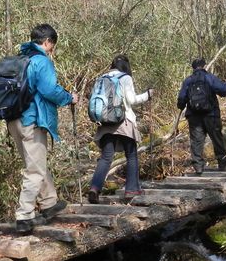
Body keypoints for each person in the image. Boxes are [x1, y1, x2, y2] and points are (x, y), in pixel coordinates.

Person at [8, 24, 77, 235]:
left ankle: (48, 203)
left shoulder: (19, 60)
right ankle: (24, 216)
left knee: (36, 163)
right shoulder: (41, 61)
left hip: (14, 120)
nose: (51, 51)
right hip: (32, 120)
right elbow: (49, 89)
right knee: (34, 169)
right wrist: (69, 97)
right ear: (47, 42)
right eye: (52, 46)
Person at [87, 55, 153, 203]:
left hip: (104, 123)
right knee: (131, 155)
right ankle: (131, 190)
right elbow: (131, 100)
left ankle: (94, 188)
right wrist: (147, 95)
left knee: (105, 157)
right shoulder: (125, 78)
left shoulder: (101, 78)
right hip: (123, 122)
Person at [177, 58, 226, 175]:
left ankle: (198, 166)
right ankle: (222, 162)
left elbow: (181, 99)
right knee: (217, 138)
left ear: (193, 68)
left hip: (194, 116)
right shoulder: (209, 77)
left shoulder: (188, 80)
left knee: (196, 141)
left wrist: (181, 106)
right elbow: (223, 91)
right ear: (204, 66)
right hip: (211, 115)